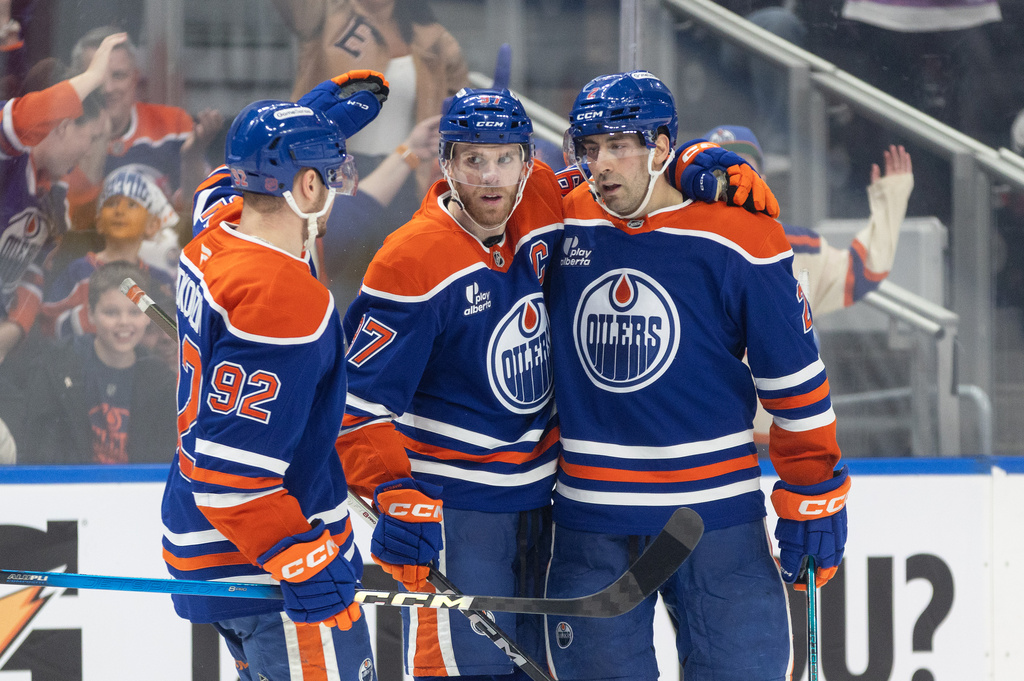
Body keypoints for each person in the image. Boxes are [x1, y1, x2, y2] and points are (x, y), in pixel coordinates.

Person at [543, 71, 850, 680]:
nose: (601, 165)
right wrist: (690, 158)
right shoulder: (558, 221)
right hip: (591, 523)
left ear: (660, 148)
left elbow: (794, 380)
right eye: (589, 147)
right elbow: (470, 204)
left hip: (715, 520)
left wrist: (814, 488)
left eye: (619, 146)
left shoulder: (742, 231)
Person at [335, 86, 562, 680]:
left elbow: (616, 179)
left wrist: (697, 167)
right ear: (446, 163)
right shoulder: (411, 259)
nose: (491, 176)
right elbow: (356, 407)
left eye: (505, 158)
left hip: (547, 504)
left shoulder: (540, 204)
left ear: (529, 161)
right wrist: (392, 492)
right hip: (461, 513)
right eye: (472, 159)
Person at [160, 96, 379, 680]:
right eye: (329, 176)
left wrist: (297, 125)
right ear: (306, 186)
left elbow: (219, 188)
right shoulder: (284, 301)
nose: (336, 191)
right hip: (269, 570)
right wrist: (303, 557)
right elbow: (233, 483)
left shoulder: (211, 239)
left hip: (212, 553)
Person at [0, 32, 126, 364]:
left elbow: (32, 272)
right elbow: (21, 119)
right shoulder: (9, 159)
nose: (91, 149)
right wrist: (92, 78)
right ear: (62, 126)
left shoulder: (57, 200)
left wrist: (12, 331)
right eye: (92, 136)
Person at [705, 125, 914, 315]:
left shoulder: (799, 247)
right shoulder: (680, 250)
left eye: (743, 169)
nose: (733, 180)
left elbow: (862, 272)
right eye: (720, 173)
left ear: (763, 180)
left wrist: (890, 200)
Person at [11, 261, 175, 464]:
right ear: (90, 314)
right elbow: (38, 453)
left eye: (134, 312)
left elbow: (166, 461)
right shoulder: (53, 368)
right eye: (111, 312)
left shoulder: (163, 382)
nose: (124, 322)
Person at [63, 27, 223, 234]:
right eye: (97, 79)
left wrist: (192, 157)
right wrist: (97, 143)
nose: (108, 88)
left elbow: (201, 219)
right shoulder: (63, 137)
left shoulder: (173, 125)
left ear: (135, 78)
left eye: (118, 76)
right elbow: (73, 232)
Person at [42, 164, 178, 340]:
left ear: (152, 226)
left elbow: (172, 334)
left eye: (132, 205)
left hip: (142, 365)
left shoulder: (160, 280)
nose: (119, 211)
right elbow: (48, 325)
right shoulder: (78, 272)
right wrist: (90, 319)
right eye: (111, 203)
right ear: (98, 222)